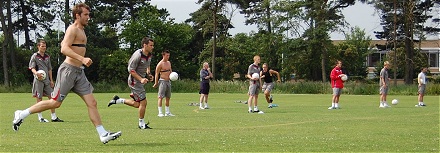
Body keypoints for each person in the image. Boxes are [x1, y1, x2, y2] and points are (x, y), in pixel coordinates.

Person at [12, 3, 121, 144]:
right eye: (86, 15)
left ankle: (103, 134)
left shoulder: (82, 30)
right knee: (55, 103)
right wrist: (82, 58)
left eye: (89, 14)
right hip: (68, 71)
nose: (89, 17)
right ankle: (21, 114)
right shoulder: (72, 29)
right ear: (78, 15)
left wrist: (81, 62)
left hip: (79, 73)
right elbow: (64, 48)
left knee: (92, 102)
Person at [107, 37, 154, 129]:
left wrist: (148, 74)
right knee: (143, 102)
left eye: (153, 45)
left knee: (137, 104)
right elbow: (130, 70)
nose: (153, 47)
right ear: (145, 45)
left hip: (139, 81)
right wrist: (141, 79)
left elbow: (147, 64)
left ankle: (118, 100)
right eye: (151, 45)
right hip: (134, 82)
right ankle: (141, 124)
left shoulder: (149, 54)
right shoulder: (137, 55)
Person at [29, 40, 64, 122]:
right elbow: (32, 67)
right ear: (38, 46)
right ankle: (40, 117)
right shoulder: (35, 56)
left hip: (47, 80)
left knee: (52, 97)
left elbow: (49, 69)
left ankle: (53, 117)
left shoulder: (47, 57)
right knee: (39, 97)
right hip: (38, 80)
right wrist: (36, 73)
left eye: (45, 46)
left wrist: (51, 80)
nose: (44, 48)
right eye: (42, 46)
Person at [153, 50, 175, 117]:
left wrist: (173, 76)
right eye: (167, 55)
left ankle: (167, 112)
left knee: (168, 97)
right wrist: (156, 83)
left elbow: (170, 70)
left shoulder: (169, 63)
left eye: (169, 55)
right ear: (163, 55)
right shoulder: (160, 64)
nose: (168, 57)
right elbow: (156, 74)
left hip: (168, 81)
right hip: (162, 81)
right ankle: (160, 112)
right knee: (160, 97)